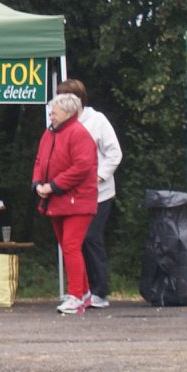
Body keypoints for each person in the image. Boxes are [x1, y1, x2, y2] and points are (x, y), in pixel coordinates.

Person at [55, 78, 122, 309]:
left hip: (99, 194)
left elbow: (114, 153)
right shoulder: (59, 124)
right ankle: (81, 290)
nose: (61, 102)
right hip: (72, 196)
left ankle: (99, 291)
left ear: (79, 100)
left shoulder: (97, 120)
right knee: (74, 243)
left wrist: (99, 176)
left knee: (91, 238)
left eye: (66, 98)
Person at [33, 91, 100, 315]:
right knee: (68, 246)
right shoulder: (49, 133)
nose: (51, 115)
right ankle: (84, 292)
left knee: (71, 246)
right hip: (56, 200)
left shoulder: (79, 133)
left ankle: (75, 296)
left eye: (55, 112)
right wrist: (38, 183)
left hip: (77, 200)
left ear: (69, 113)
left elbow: (82, 167)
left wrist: (52, 185)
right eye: (51, 111)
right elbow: (40, 160)